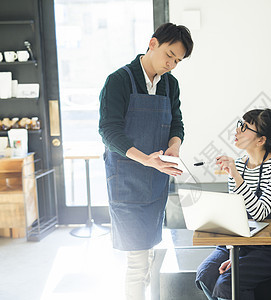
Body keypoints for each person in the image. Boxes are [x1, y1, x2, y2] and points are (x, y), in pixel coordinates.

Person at [98, 23, 193, 300]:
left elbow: (177, 123)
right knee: (137, 262)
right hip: (126, 181)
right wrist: (146, 160)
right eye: (169, 55)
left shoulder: (169, 84)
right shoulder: (119, 81)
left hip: (156, 181)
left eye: (177, 61)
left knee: (149, 251)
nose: (171, 65)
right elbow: (109, 131)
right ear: (152, 44)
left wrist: (174, 145)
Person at [196, 108, 271, 300]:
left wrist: (236, 176)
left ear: (261, 140)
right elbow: (237, 214)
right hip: (243, 239)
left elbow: (259, 212)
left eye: (245, 127)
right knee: (205, 275)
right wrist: (235, 252)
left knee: (227, 284)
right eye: (239, 125)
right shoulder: (239, 164)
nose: (237, 131)